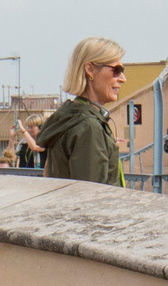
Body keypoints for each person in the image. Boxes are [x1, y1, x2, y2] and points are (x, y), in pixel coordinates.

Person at [37, 38, 126, 186]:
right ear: (90, 70)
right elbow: (93, 195)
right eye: (116, 71)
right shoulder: (88, 127)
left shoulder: (70, 118)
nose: (123, 78)